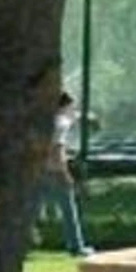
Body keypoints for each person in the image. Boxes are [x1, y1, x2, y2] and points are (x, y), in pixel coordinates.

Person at [37, 91, 92, 258]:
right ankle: (76, 246)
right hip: (55, 171)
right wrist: (65, 172)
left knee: (32, 209)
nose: (72, 109)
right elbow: (57, 149)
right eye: (71, 106)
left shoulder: (47, 121)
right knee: (69, 210)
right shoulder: (61, 123)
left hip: (40, 170)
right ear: (65, 106)